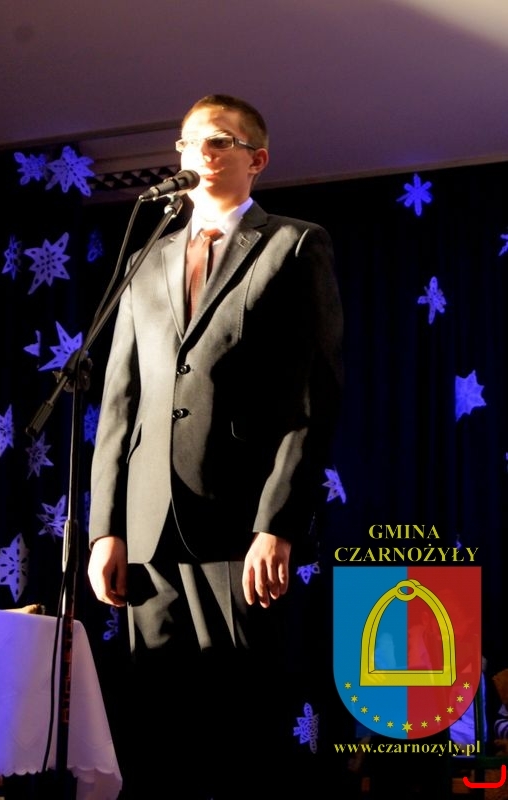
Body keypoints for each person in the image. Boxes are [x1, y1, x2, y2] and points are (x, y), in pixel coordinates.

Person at [87, 93, 343, 799]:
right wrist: (106, 528)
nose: (201, 151)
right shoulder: (147, 258)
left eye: (220, 140)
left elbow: (313, 398)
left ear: (257, 159)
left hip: (239, 526)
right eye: (189, 141)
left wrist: (277, 524)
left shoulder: (294, 245)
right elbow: (119, 402)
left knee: (240, 729)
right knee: (153, 730)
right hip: (147, 527)